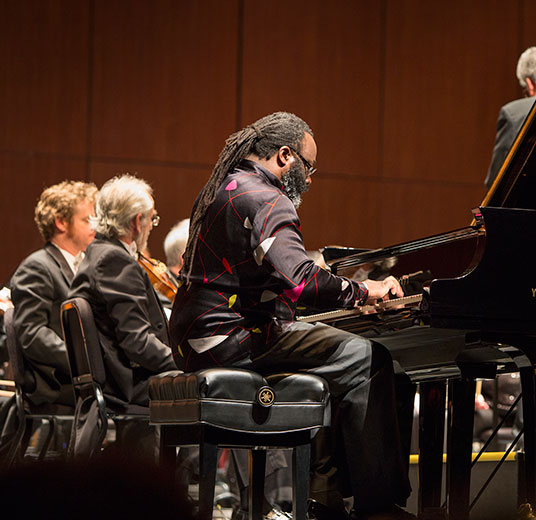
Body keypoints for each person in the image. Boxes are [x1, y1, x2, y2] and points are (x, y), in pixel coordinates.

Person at [169, 112, 414, 520]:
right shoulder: (267, 197)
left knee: (333, 362)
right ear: (286, 156)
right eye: (309, 166)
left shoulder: (222, 186)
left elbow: (260, 278)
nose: (311, 179)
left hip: (196, 340)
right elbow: (299, 279)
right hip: (233, 339)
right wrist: (362, 291)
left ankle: (326, 494)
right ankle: (379, 507)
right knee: (368, 360)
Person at [68, 174, 176, 457]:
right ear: (137, 222)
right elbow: (137, 342)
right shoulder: (115, 260)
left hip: (117, 379)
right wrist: (184, 362)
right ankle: (188, 487)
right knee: (217, 386)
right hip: (128, 384)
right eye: (152, 220)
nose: (151, 227)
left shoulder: (97, 253)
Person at [9, 180, 97, 406]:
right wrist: (85, 362)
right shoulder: (38, 267)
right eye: (87, 219)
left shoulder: (86, 266)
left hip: (81, 381)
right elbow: (32, 333)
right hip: (57, 386)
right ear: (61, 222)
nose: (94, 227)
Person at [485, 44, 536, 189]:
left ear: (529, 83)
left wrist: (478, 212)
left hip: (531, 206)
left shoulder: (514, 113)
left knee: (476, 211)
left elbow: (495, 183)